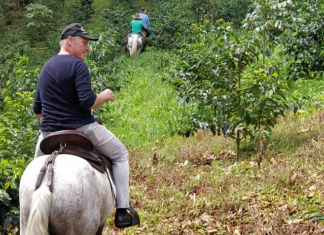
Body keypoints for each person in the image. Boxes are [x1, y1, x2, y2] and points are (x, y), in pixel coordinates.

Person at [32, 23, 140, 229]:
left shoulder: (46, 68)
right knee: (120, 154)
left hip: (47, 135)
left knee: (35, 174)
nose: (87, 48)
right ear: (70, 41)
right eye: (84, 43)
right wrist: (105, 96)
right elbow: (88, 102)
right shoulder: (77, 66)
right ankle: (123, 211)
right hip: (81, 130)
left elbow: (38, 111)